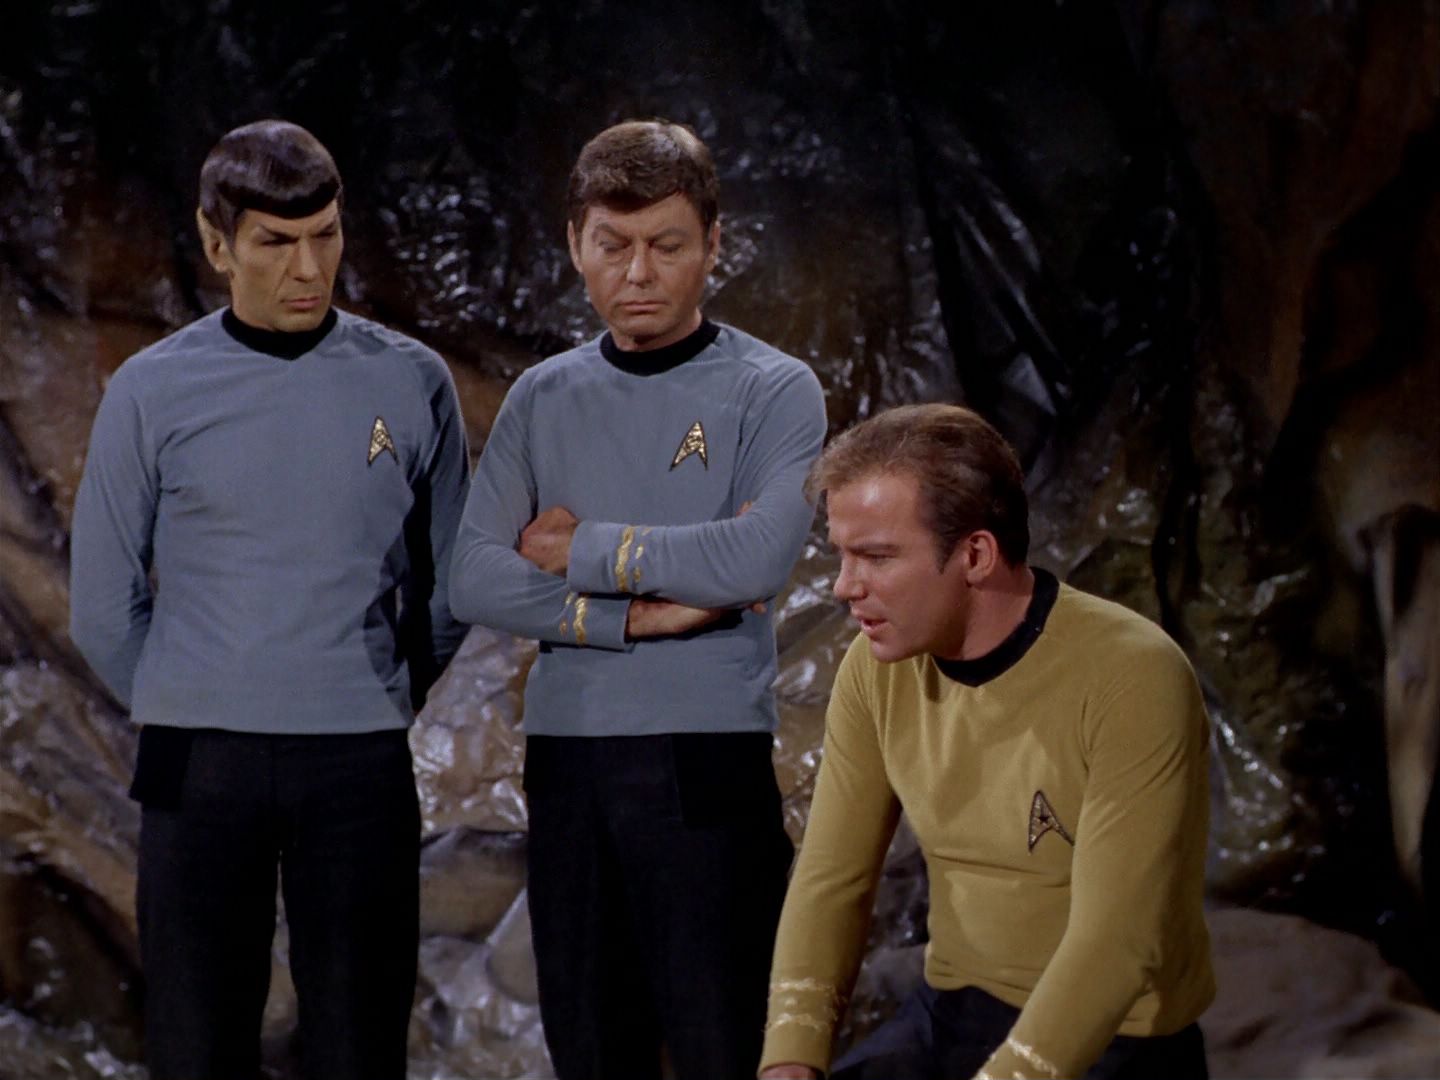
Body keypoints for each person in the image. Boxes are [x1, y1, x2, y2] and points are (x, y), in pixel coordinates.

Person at [68, 119, 470, 1080]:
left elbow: (450, 583)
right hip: (198, 767)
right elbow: (102, 605)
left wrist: (376, 694)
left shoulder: (412, 380)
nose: (309, 267)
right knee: (196, 1049)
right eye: (276, 242)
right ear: (217, 244)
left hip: (359, 764)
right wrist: (194, 697)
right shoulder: (150, 391)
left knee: (361, 1047)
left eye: (325, 235)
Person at [448, 118, 827, 1080]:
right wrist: (632, 612)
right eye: (613, 246)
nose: (639, 273)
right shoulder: (542, 396)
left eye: (666, 244)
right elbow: (475, 575)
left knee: (725, 1048)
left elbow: (752, 559)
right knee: (590, 1050)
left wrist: (577, 548)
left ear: (713, 243)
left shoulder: (774, 389)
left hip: (708, 764)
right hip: (568, 767)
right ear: (576, 243)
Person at [758, 403, 1214, 1080]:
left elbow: (1118, 944)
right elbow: (831, 878)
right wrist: (790, 1056)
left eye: (875, 556)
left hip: (1113, 1033)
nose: (844, 587)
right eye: (842, 555)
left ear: (975, 555)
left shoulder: (1133, 676)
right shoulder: (875, 669)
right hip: (954, 1010)